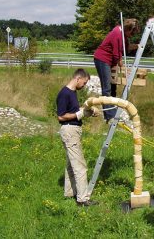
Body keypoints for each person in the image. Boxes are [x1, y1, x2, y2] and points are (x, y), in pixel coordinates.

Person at [56, 68, 97, 206]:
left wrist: (87, 111)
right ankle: (83, 199)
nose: (84, 85)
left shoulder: (72, 93)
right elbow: (61, 115)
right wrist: (79, 115)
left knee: (71, 164)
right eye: (84, 83)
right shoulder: (64, 93)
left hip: (73, 130)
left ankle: (69, 192)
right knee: (80, 166)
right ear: (77, 79)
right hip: (69, 130)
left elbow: (73, 109)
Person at [94, 18, 140, 122]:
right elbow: (116, 55)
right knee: (107, 88)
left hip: (109, 61)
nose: (132, 36)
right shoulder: (117, 34)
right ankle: (109, 115)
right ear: (128, 29)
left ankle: (111, 110)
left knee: (113, 87)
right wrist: (124, 69)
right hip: (102, 60)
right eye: (132, 33)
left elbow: (126, 48)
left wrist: (138, 46)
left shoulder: (123, 35)